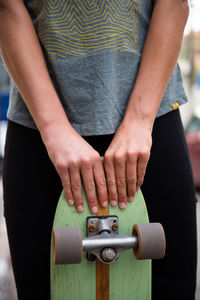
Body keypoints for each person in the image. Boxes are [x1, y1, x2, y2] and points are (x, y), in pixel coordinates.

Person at [0, 0, 197, 299]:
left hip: (150, 125)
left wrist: (139, 122)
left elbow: (174, 4)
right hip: (40, 133)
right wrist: (54, 129)